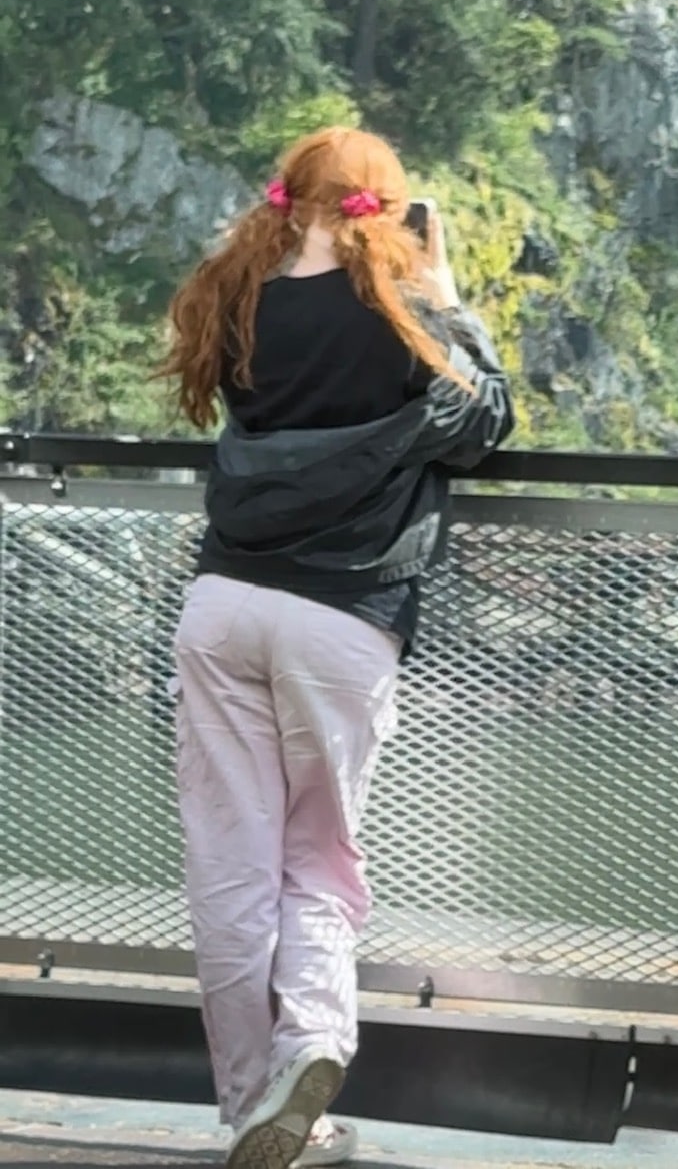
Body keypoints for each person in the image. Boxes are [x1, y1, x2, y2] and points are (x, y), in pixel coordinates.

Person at [157, 125, 515, 1169]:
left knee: (230, 857)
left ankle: (250, 1106)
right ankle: (308, 1051)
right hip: (339, 614)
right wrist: (448, 298)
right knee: (319, 855)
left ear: (289, 198)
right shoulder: (402, 313)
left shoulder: (240, 292)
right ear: (390, 207)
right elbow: (480, 418)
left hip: (222, 600)